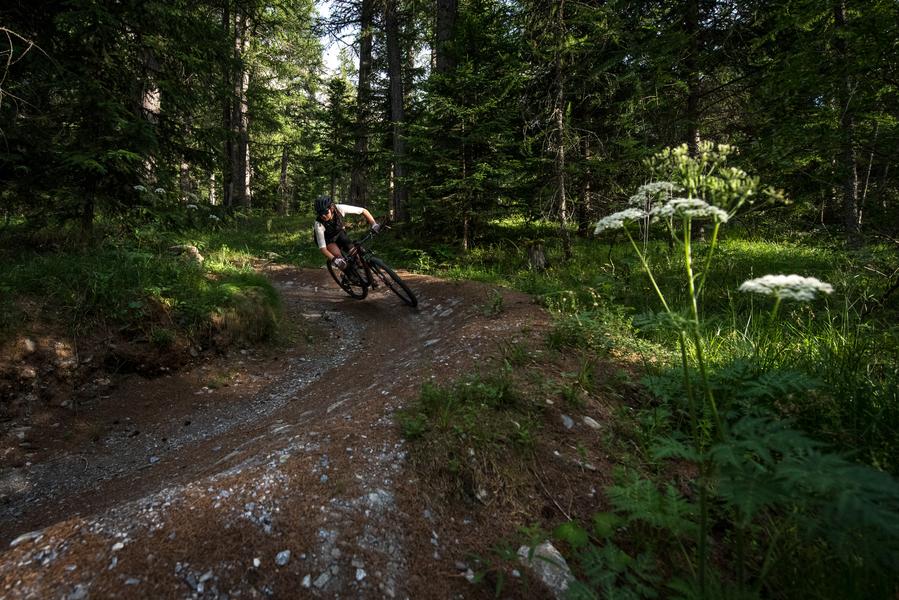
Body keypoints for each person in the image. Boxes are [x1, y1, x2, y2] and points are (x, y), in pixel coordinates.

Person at [312, 195, 381, 272]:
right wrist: (335, 260)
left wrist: (374, 224)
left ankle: (363, 271)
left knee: (355, 253)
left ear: (331, 208)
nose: (323, 216)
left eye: (325, 212)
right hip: (327, 240)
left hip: (338, 233)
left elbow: (363, 211)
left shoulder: (339, 208)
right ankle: (349, 274)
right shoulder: (318, 224)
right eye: (320, 213)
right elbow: (323, 249)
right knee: (340, 260)